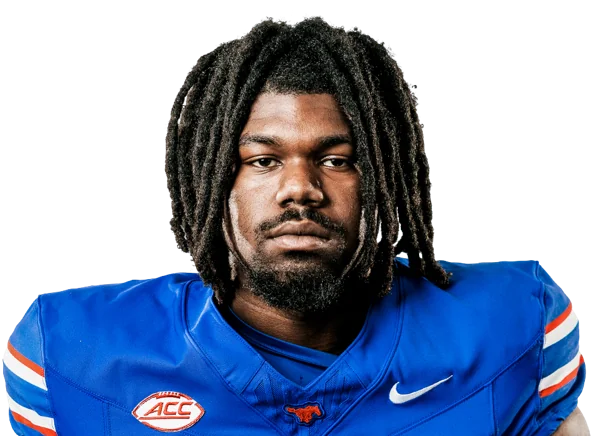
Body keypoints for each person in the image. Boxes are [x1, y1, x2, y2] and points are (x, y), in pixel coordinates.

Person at [4, 16, 587, 435]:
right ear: (212, 180)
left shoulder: (512, 325)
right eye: (263, 160)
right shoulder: (74, 352)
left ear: (385, 177)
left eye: (337, 160)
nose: (300, 188)